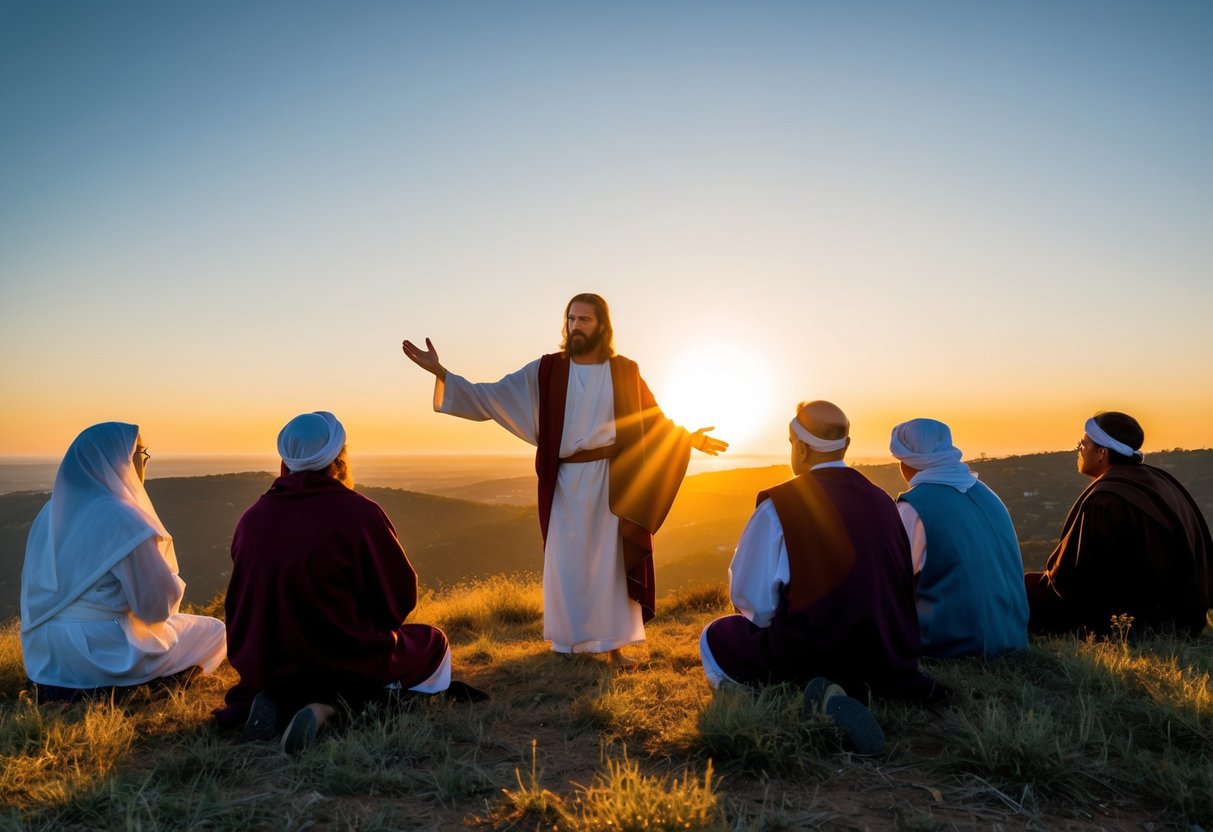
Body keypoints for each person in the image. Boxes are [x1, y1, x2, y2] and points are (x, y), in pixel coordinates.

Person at [402, 293, 727, 665]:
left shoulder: (625, 370)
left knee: (608, 564)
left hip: (612, 480)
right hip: (566, 481)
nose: (575, 326)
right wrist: (442, 374)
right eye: (571, 319)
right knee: (568, 561)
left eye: (584, 320)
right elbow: (491, 396)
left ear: (601, 325)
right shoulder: (547, 371)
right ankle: (568, 644)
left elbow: (654, 421)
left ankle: (614, 647)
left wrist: (690, 438)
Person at [216, 412, 472, 753]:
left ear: (285, 462)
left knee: (297, 670)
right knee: (433, 643)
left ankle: (279, 700)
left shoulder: (252, 518)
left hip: (268, 662)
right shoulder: (360, 513)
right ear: (339, 460)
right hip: (343, 658)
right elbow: (398, 598)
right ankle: (328, 707)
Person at [699, 401, 937, 753]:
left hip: (812, 653)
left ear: (801, 446)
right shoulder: (885, 502)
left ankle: (798, 692)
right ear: (846, 445)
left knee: (715, 636)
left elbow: (751, 601)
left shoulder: (780, 506)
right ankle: (846, 691)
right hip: (886, 657)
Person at [20, 422, 226, 701]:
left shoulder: (49, 513)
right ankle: (151, 686)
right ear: (118, 458)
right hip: (98, 654)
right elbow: (156, 608)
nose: (145, 461)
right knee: (214, 630)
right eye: (140, 452)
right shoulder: (123, 518)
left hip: (42, 657)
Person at [1024, 411, 1213, 636]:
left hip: (1133, 620)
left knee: (1025, 587)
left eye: (1083, 444)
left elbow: (1072, 580)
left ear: (1102, 452)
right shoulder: (1160, 481)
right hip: (1181, 614)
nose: (1079, 449)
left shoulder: (1105, 499)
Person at [890, 418, 1028, 658]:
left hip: (952, 643)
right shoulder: (988, 494)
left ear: (905, 460)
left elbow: (894, 580)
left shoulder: (914, 507)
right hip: (1012, 636)